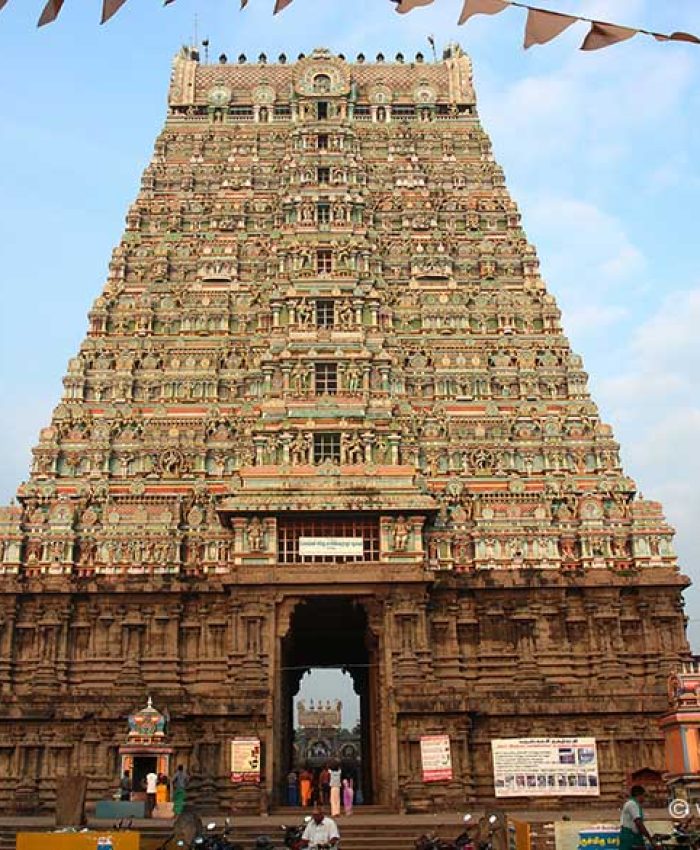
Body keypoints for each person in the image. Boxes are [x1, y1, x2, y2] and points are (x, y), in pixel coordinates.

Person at [619, 785, 657, 850]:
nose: (644, 799)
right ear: (639, 795)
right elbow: (638, 822)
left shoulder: (635, 804)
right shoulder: (632, 804)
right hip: (630, 836)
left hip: (634, 835)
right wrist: (649, 838)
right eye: (644, 796)